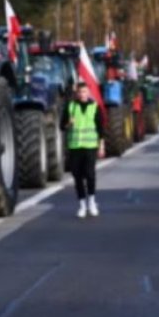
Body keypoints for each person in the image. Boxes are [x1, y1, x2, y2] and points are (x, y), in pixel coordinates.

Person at [61, 82, 105, 218]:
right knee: (77, 177)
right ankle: (82, 205)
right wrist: (69, 123)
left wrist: (101, 145)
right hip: (75, 147)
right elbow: (62, 126)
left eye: (84, 92)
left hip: (90, 147)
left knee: (90, 175)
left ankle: (92, 201)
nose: (82, 94)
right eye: (80, 92)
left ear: (88, 93)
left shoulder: (94, 107)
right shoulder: (70, 107)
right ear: (77, 93)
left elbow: (100, 128)